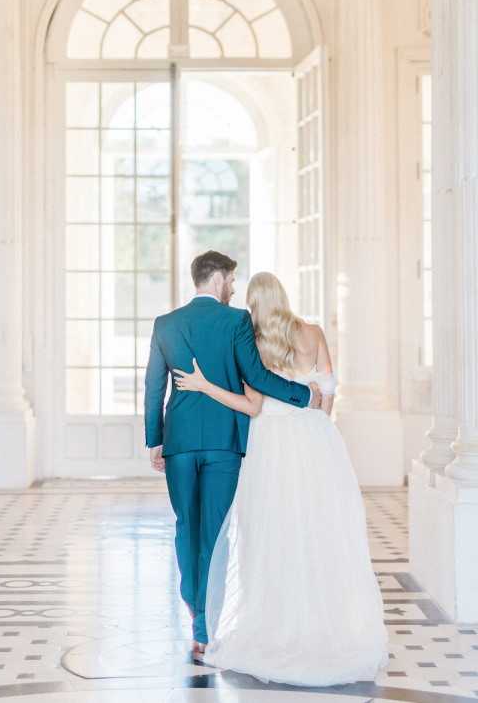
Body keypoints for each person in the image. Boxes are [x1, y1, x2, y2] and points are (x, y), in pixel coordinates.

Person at [174, 271, 388, 685]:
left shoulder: (251, 342)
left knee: (271, 536)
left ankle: (277, 623)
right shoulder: (312, 332)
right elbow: (327, 391)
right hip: (317, 442)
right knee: (321, 533)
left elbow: (251, 405)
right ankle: (326, 624)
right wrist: (315, 427)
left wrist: (203, 386)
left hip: (271, 444)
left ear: (254, 304)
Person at [144, 252, 322, 657]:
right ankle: (203, 624)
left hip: (180, 443)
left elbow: (154, 387)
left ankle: (193, 602)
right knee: (214, 531)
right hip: (224, 442)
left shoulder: (165, 325)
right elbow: (256, 377)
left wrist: (155, 439)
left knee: (186, 526)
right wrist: (302, 395)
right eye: (231, 279)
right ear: (219, 278)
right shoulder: (236, 320)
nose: (234, 287)